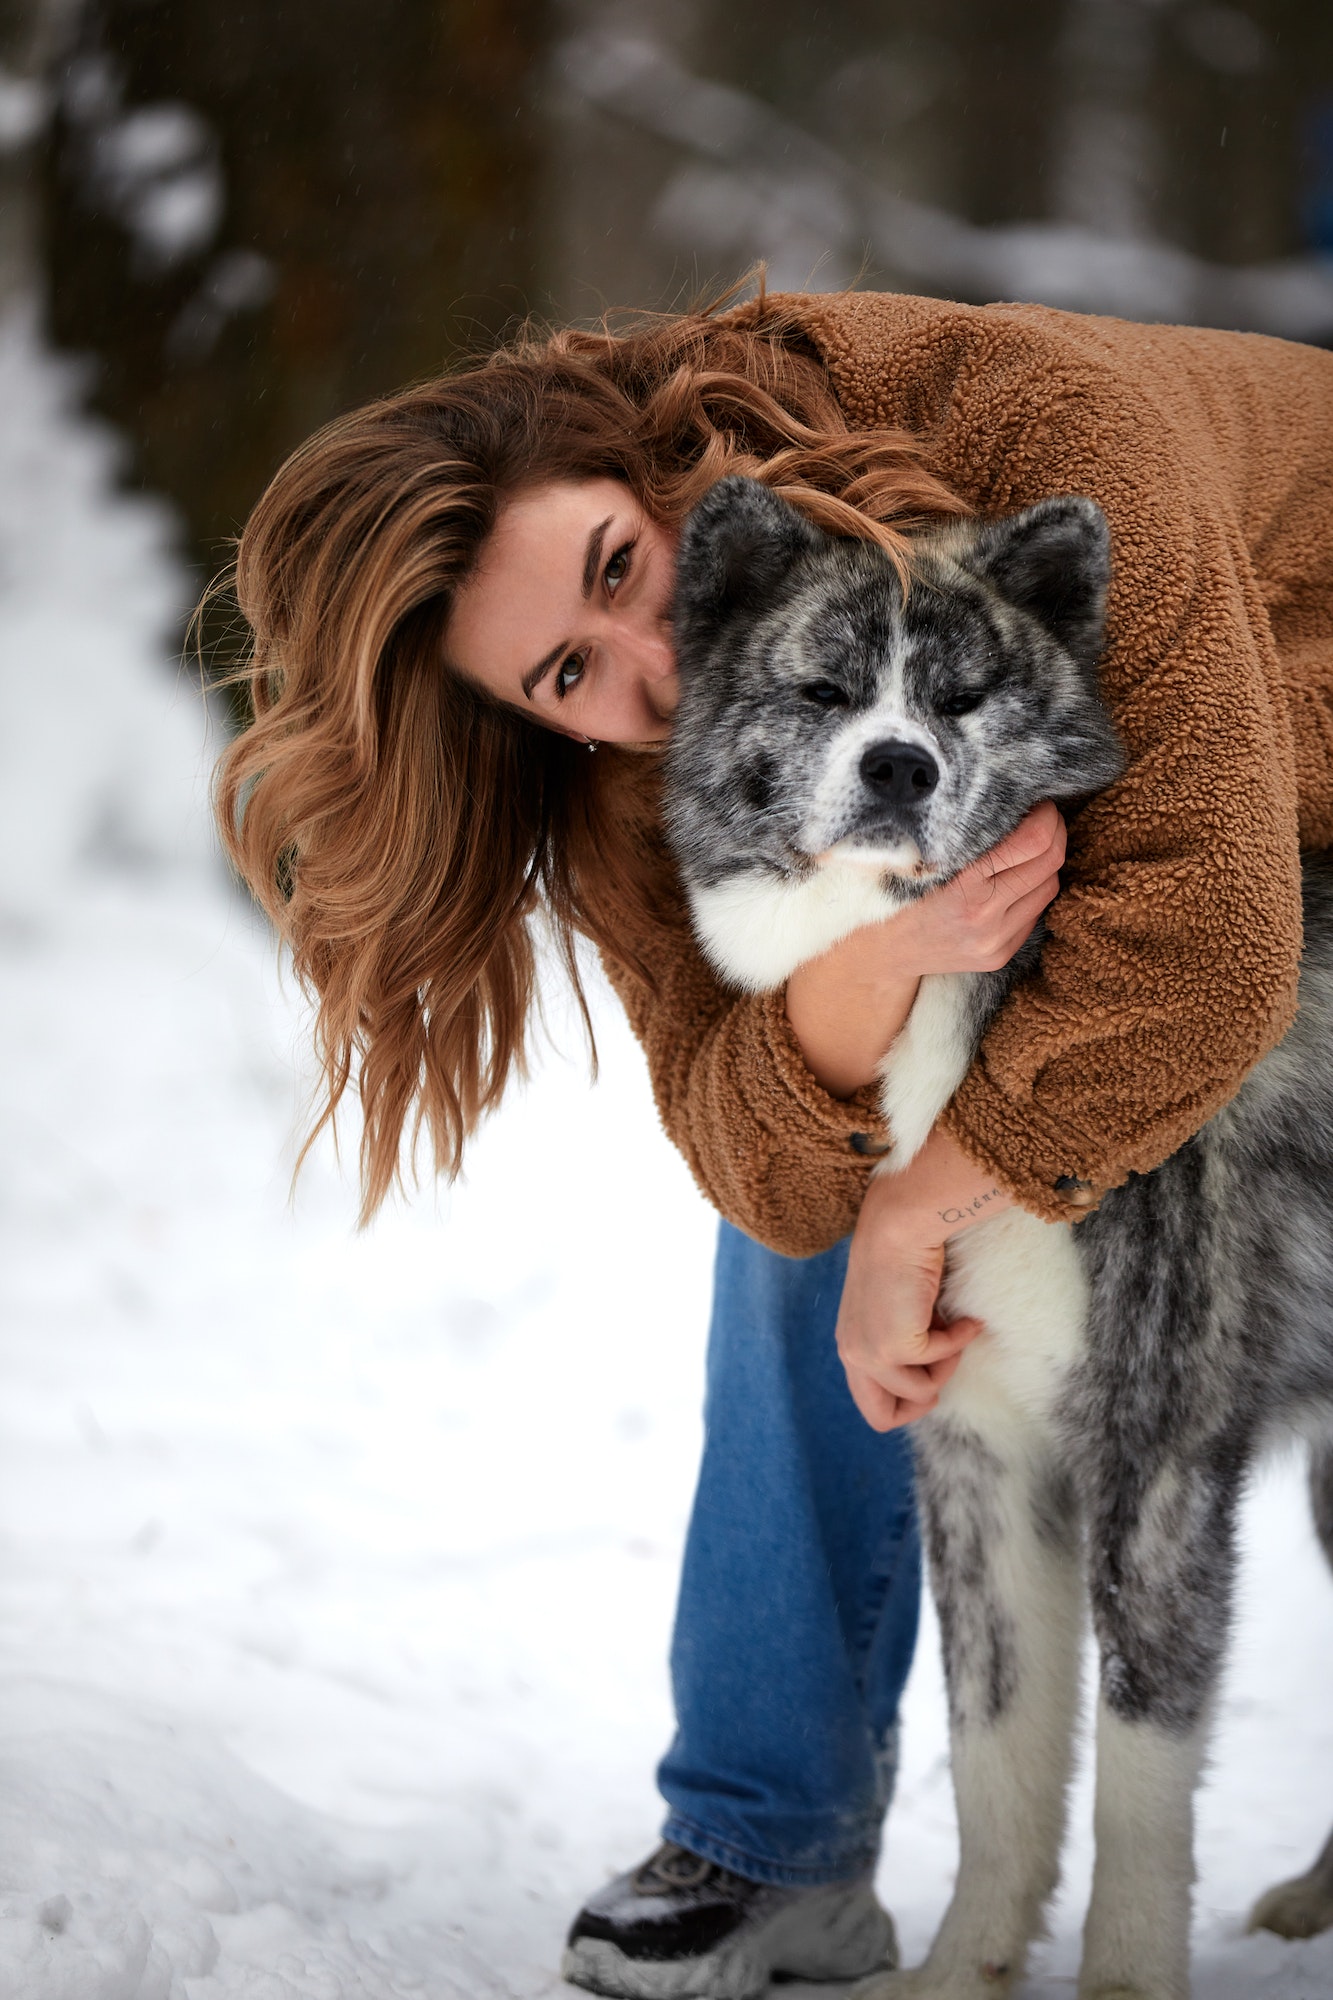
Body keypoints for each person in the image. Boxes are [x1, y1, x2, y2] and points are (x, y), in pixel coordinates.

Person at [214, 284, 1333, 1998]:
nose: (647, 669)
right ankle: (773, 1843)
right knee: (826, 1207)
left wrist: (925, 1208)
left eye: (613, 569)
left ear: (642, 468)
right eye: (567, 673)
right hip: (1148, 873)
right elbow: (766, 1164)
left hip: (1270, 785)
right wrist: (867, 970)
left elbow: (1216, 936)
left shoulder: (1020, 414)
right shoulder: (640, 753)